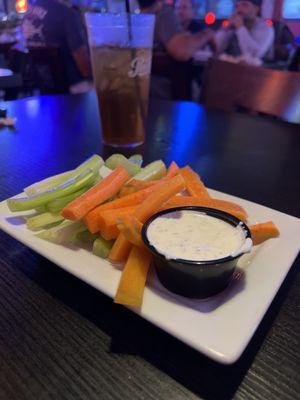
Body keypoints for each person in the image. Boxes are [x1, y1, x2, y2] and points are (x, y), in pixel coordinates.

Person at [22, 0, 92, 92]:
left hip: (43, 88)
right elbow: (83, 65)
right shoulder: (67, 14)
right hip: (74, 86)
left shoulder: (28, 13)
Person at [138, 0, 214, 62]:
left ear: (192, 11)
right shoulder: (162, 14)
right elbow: (182, 51)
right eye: (178, 8)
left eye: (184, 8)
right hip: (161, 78)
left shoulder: (140, 14)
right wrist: (207, 34)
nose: (180, 11)